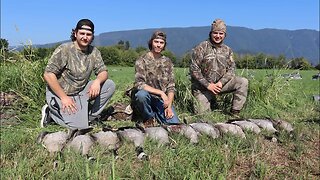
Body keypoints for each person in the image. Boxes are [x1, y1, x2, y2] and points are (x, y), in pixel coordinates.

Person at [41, 19, 115, 130]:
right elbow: (48, 74)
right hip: (60, 94)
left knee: (109, 85)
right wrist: (64, 97)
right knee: (79, 128)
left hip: (80, 92)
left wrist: (97, 82)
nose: (85, 37)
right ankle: (51, 113)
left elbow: (103, 72)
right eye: (82, 33)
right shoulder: (64, 49)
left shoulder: (94, 52)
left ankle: (91, 116)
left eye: (89, 34)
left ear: (92, 36)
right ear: (75, 33)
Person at [189, 18, 248, 117]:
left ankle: (235, 113)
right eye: (215, 33)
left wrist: (221, 83)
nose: (218, 36)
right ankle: (210, 102)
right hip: (203, 88)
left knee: (243, 82)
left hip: (220, 86)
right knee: (203, 117)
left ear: (225, 35)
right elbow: (194, 69)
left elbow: (232, 69)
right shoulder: (201, 47)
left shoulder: (227, 50)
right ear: (211, 33)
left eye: (221, 33)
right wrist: (208, 85)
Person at [132, 30, 180, 128]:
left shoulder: (168, 62)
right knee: (141, 95)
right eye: (156, 42)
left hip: (161, 101)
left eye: (161, 43)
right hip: (147, 97)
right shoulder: (142, 60)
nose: (158, 45)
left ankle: (157, 114)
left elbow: (171, 86)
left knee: (174, 124)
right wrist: (161, 92)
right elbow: (139, 84)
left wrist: (169, 105)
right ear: (151, 42)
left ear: (164, 45)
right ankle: (148, 118)